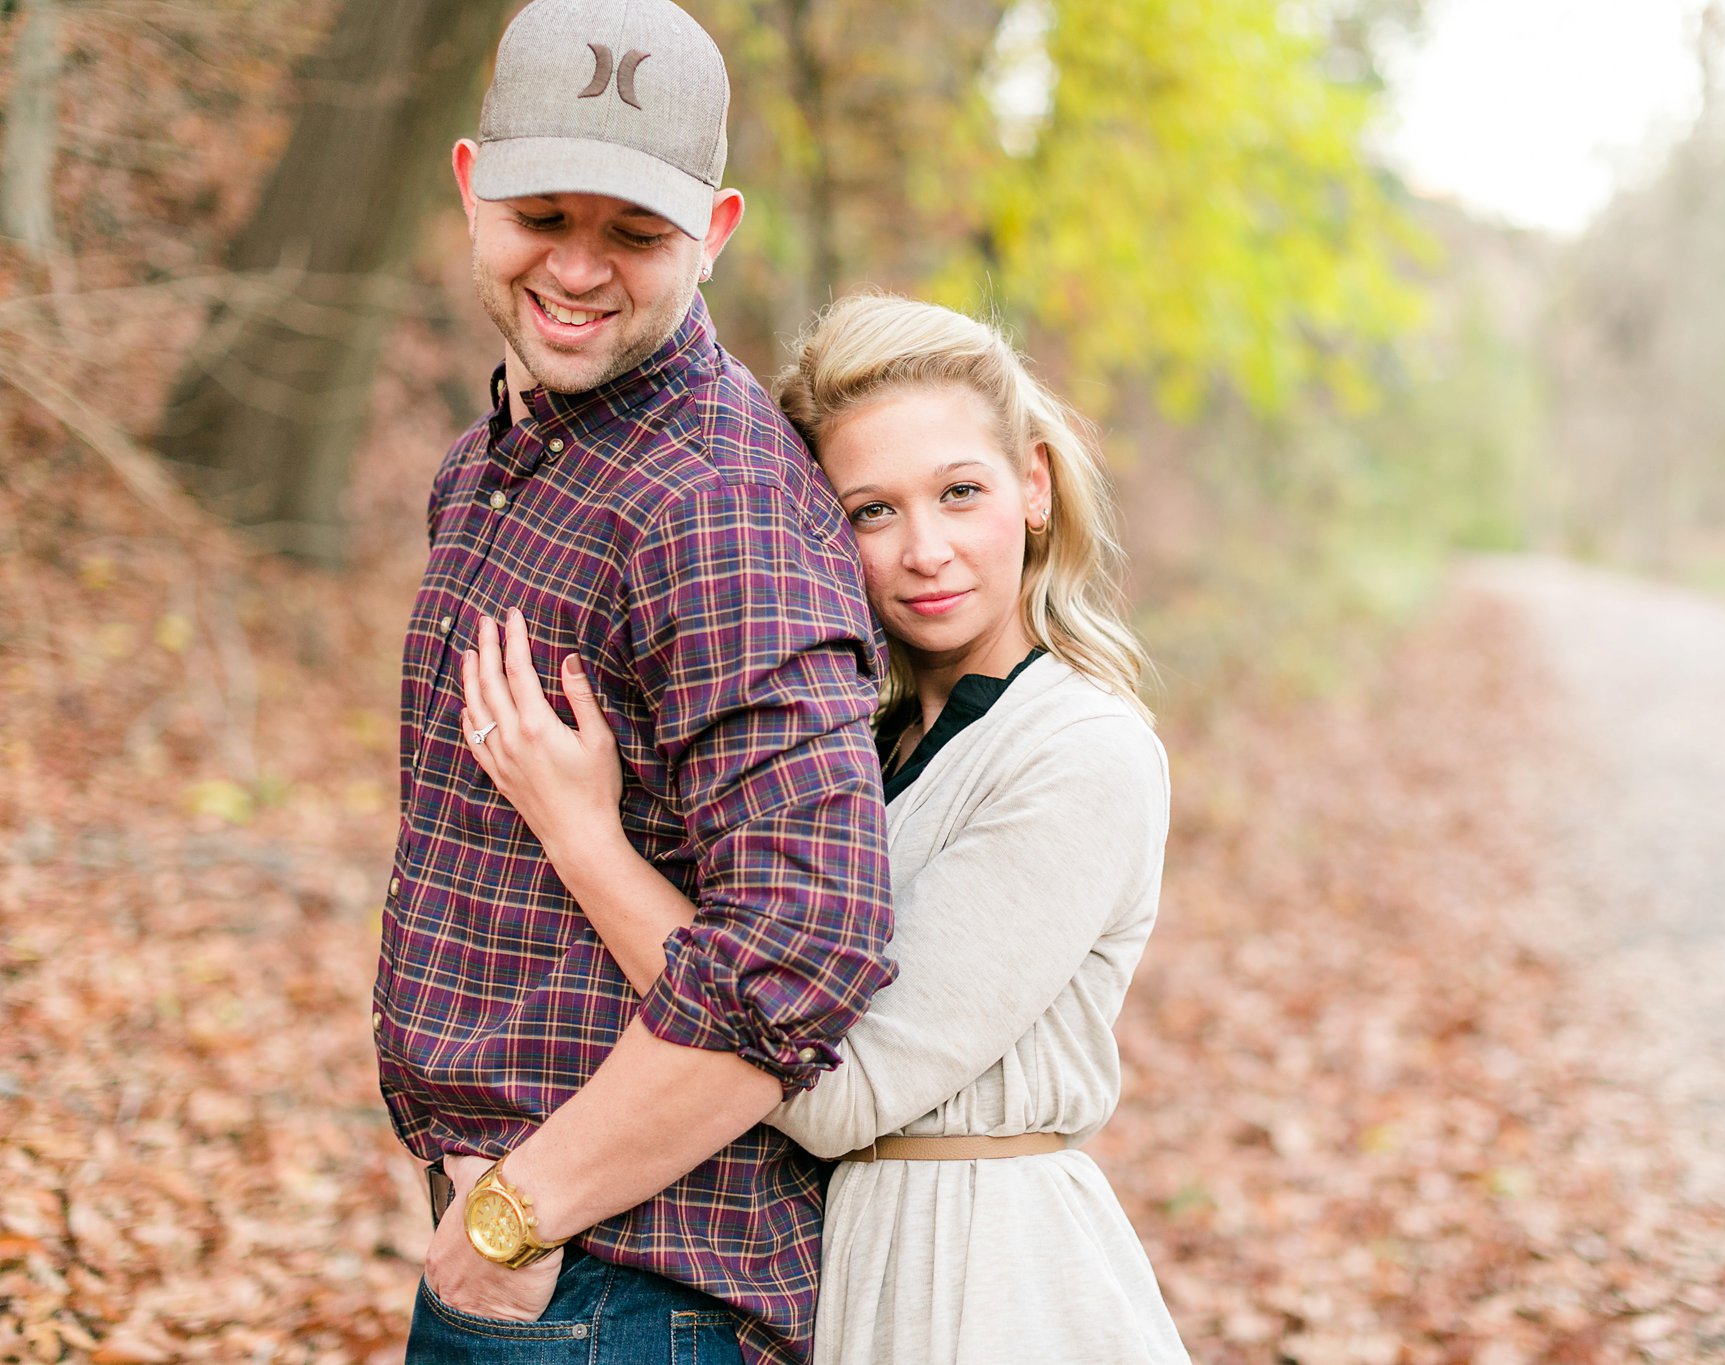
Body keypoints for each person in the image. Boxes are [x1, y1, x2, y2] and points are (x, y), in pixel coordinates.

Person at [463, 293, 1191, 1363]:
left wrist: (584, 837)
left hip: (993, 1276)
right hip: (859, 1253)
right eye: (871, 511)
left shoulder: (1080, 751)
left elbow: (839, 1087)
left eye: (959, 492)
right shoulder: (869, 739)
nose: (925, 550)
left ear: (1031, 487)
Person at [373, 2, 893, 1362]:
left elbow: (805, 946)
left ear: (714, 233)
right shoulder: (493, 463)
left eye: (636, 234)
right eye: (545, 214)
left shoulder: (716, 505)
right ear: (471, 183)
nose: (580, 269)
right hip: (545, 1266)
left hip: (623, 1294)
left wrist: (510, 1220)